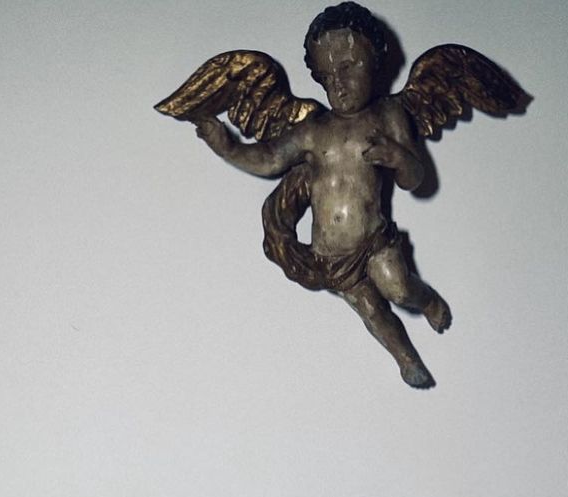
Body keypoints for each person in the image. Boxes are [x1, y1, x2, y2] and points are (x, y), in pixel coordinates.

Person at [185, 3, 451, 388]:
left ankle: (428, 301)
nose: (338, 84)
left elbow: (415, 179)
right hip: (330, 254)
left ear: (375, 61)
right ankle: (407, 360)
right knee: (371, 312)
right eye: (327, 76)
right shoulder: (313, 129)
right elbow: (270, 159)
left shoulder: (388, 115)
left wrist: (397, 157)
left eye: (348, 67)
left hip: (374, 241)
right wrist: (227, 147)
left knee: (398, 288)